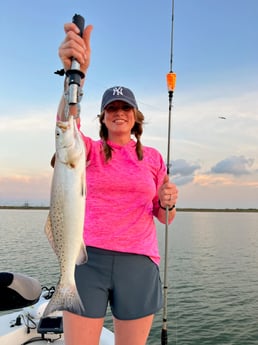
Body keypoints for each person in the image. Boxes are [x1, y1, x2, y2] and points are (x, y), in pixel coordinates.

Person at [56, 21, 178, 345]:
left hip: (138, 262)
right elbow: (65, 126)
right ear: (103, 116)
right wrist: (75, 76)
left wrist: (169, 202)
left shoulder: (152, 158)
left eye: (125, 107)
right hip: (87, 258)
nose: (119, 112)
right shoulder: (89, 151)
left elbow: (164, 217)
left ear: (135, 116)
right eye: (111, 107)